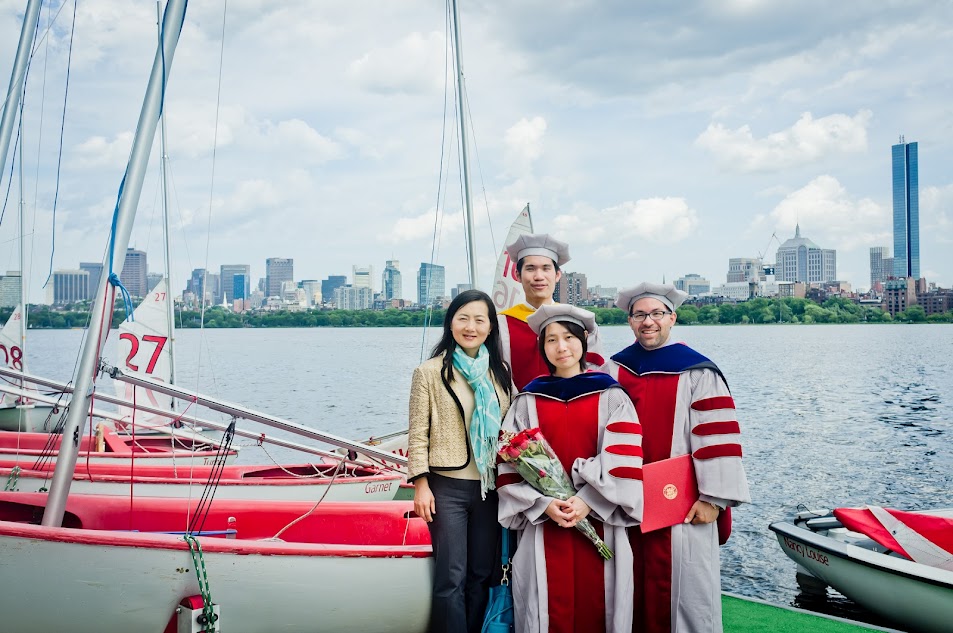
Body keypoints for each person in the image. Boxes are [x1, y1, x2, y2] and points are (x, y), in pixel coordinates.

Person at [602, 282, 751, 633]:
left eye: (656, 314)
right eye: (640, 315)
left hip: (682, 503)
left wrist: (712, 499)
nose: (648, 322)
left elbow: (717, 439)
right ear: (629, 321)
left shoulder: (698, 371)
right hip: (628, 500)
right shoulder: (615, 370)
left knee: (686, 589)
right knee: (629, 583)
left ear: (673, 318)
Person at [497, 304, 642, 633]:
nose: (561, 347)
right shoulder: (527, 400)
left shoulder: (611, 395)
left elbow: (625, 458)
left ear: (584, 341)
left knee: (600, 608)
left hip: (598, 518)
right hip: (544, 521)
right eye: (551, 340)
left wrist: (588, 500)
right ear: (542, 348)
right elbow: (507, 466)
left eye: (568, 338)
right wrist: (544, 503)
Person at [407, 289, 514, 633]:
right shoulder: (429, 372)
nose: (471, 326)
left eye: (479, 319)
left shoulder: (499, 372)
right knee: (450, 576)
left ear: (490, 327)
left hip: (489, 489)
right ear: (450, 323)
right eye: (463, 318)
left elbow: (509, 428)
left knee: (482, 573)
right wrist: (421, 484)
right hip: (446, 487)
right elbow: (417, 433)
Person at [498, 233, 604, 391]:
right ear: (518, 275)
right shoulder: (502, 324)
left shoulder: (580, 322)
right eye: (530, 268)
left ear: (557, 275)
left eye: (546, 268)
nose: (538, 276)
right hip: (519, 408)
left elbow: (594, 372)